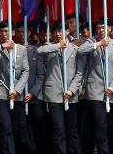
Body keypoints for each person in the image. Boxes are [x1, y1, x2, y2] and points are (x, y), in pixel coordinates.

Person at [77, 18, 113, 154]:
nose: (101, 30)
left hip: (112, 92)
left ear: (110, 29)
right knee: (100, 125)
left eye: (104, 27)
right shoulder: (91, 42)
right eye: (98, 28)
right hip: (96, 91)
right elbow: (80, 51)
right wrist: (98, 44)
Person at [37, 23, 86, 154]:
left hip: (71, 95)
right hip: (54, 95)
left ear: (67, 31)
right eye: (56, 31)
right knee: (58, 130)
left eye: (61, 30)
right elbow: (39, 51)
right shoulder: (49, 46)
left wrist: (71, 90)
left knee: (72, 130)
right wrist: (58, 46)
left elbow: (80, 73)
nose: (58, 34)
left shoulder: (76, 49)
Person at [0, 21, 30, 154]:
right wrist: (2, 46)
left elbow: (26, 71)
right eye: (1, 32)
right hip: (0, 92)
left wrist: (17, 89)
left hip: (16, 93)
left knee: (16, 129)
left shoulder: (21, 49)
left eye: (6, 31)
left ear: (12, 32)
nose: (4, 34)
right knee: (5, 127)